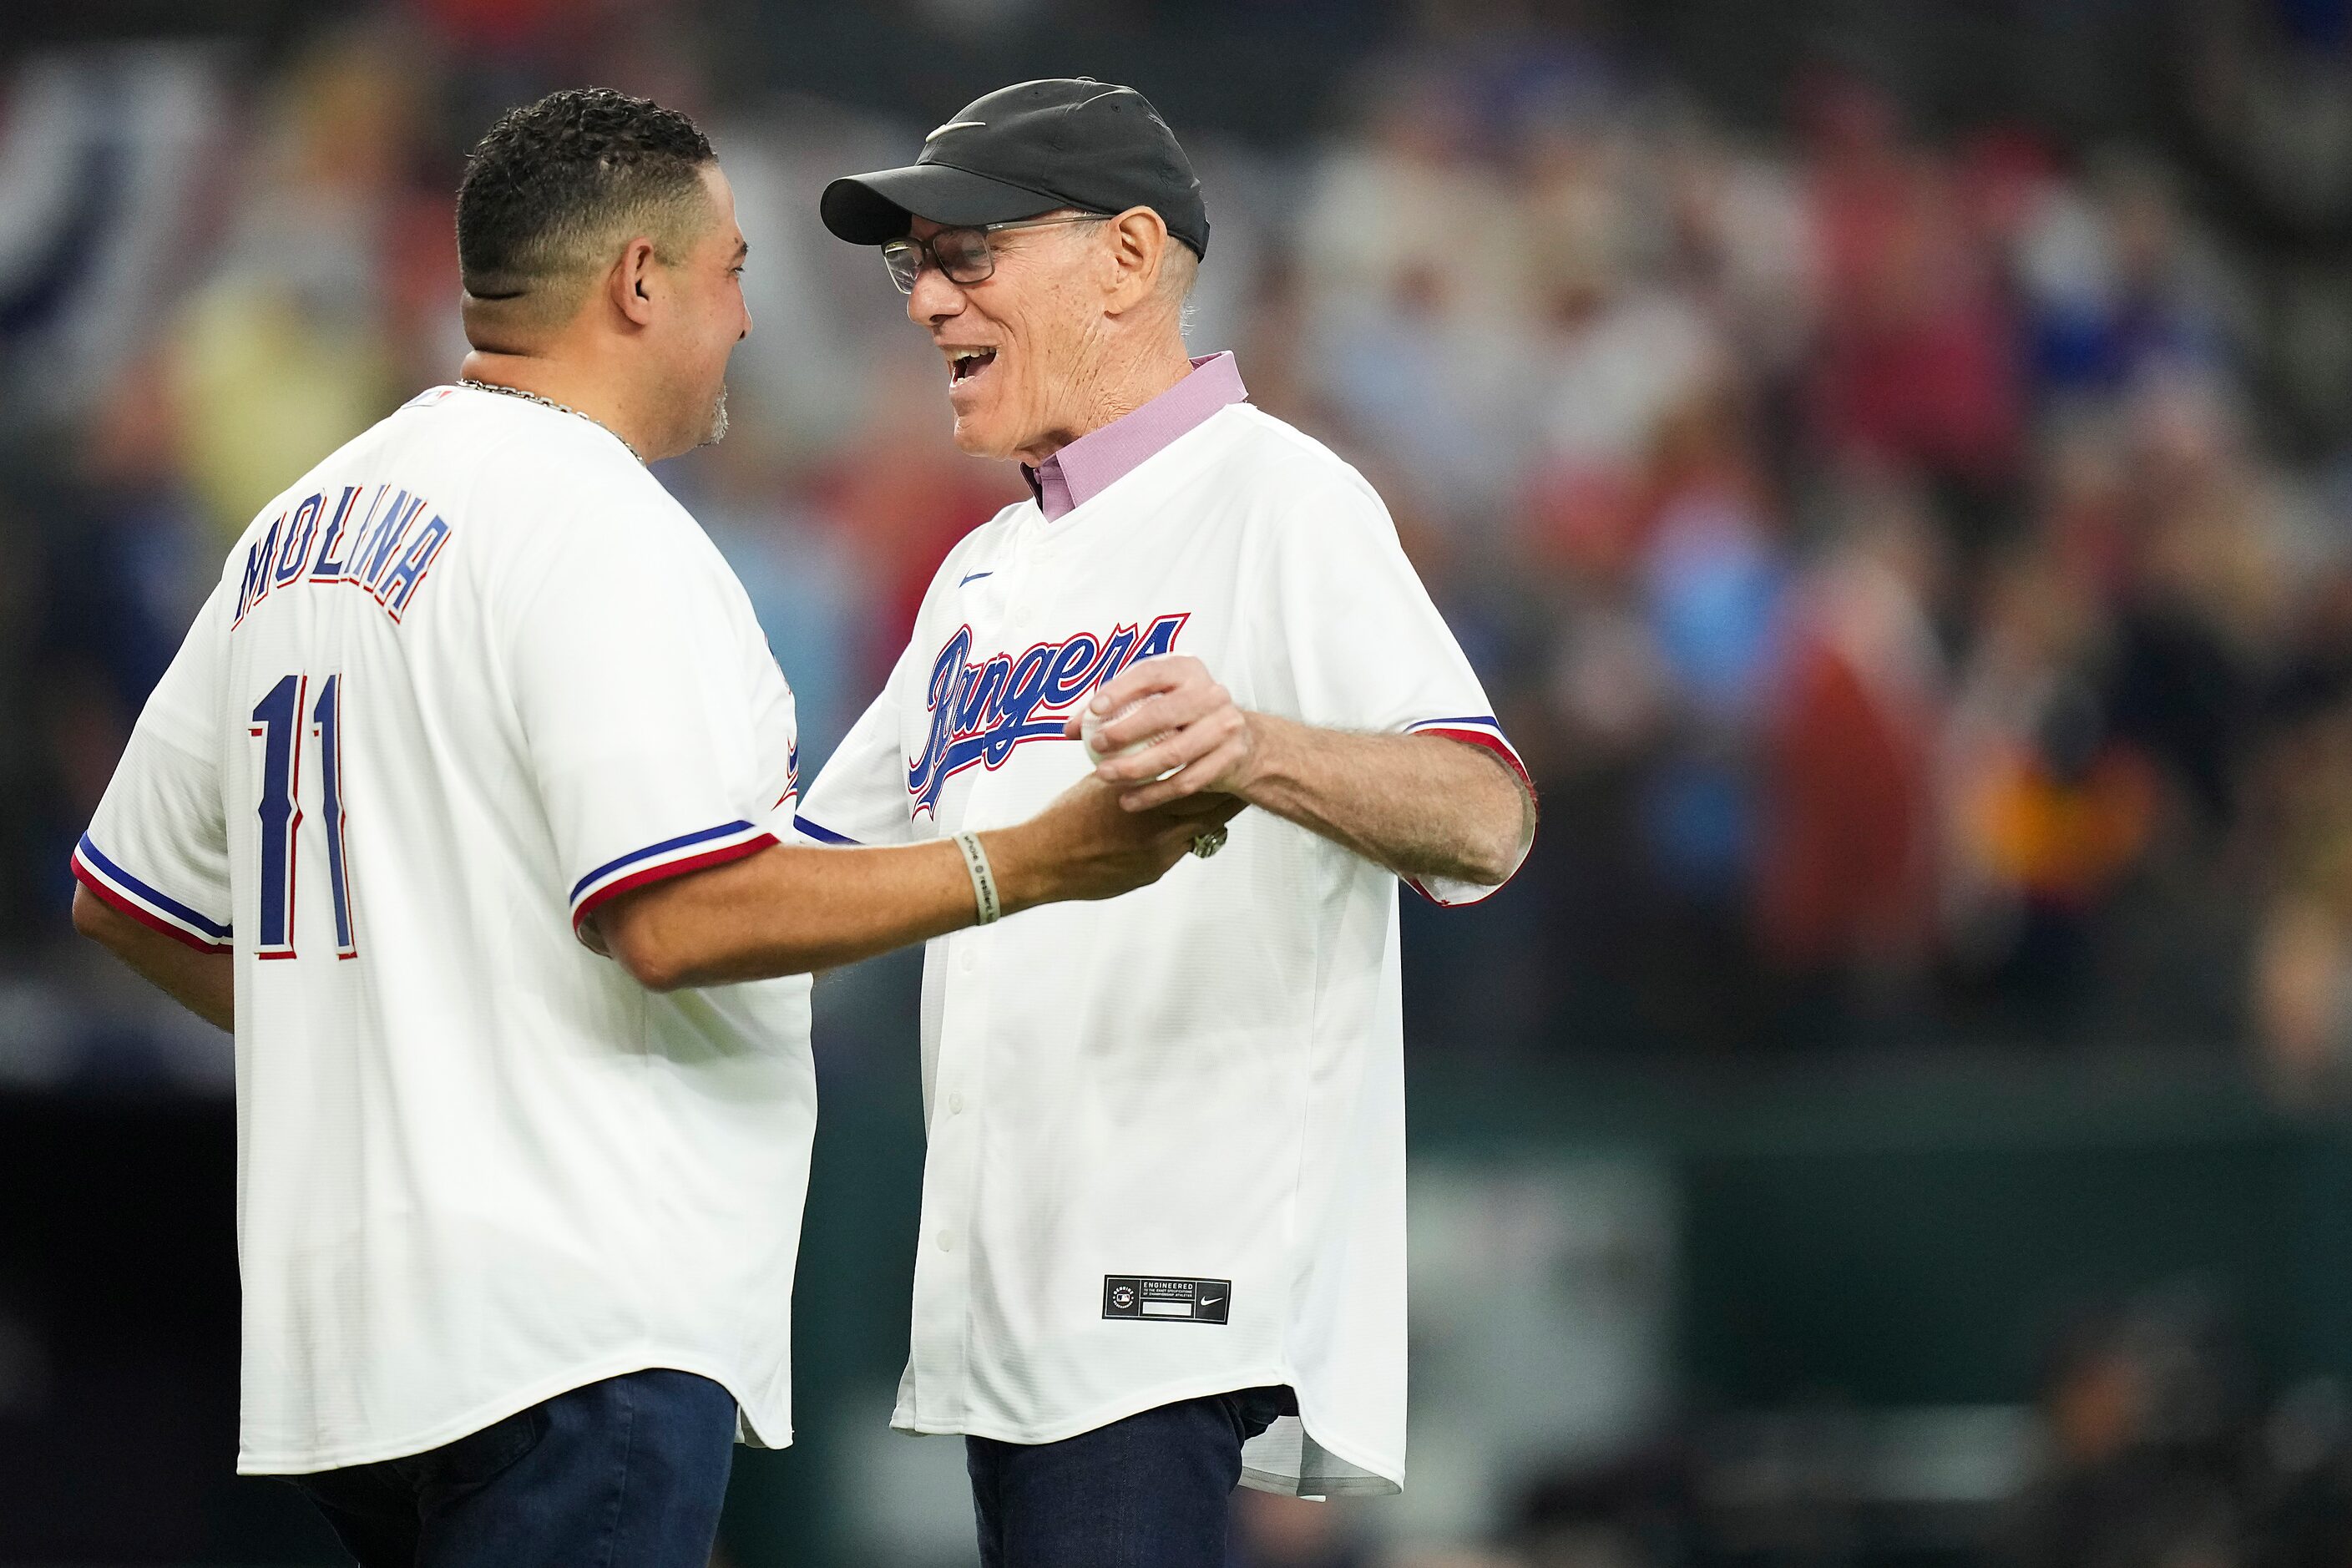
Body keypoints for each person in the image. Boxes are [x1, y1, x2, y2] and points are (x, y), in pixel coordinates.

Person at [67, 87, 1227, 1568]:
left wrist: (392, 1044)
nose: (745, 317)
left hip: (351, 1336)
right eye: (731, 270)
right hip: (571, 1316)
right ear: (637, 282)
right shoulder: (595, 526)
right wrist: (1028, 861)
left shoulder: (305, 516)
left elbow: (133, 897)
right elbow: (675, 915)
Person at [805, 77, 1537, 1567]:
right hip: (1003, 1294)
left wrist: (1258, 745)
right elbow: (810, 878)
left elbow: (1486, 813)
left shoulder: (1280, 497)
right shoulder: (983, 569)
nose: (927, 298)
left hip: (1165, 1281)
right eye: (911, 265)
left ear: (1127, 260)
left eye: (968, 255)